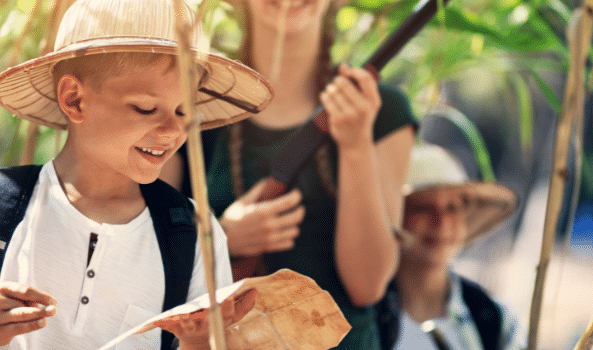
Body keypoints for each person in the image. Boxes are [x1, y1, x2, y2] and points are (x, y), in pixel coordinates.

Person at [0, 0, 272, 348]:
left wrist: (195, 340)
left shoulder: (192, 232)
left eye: (183, 113)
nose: (172, 131)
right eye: (146, 108)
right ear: (75, 100)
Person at [164, 0, 416, 348]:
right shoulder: (188, 105)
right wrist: (222, 238)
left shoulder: (383, 110)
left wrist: (356, 144)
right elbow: (149, 257)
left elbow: (368, 285)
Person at [391, 143, 524, 350]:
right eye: (422, 208)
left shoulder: (493, 319)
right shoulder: (360, 312)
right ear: (395, 216)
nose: (440, 222)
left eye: (452, 208)